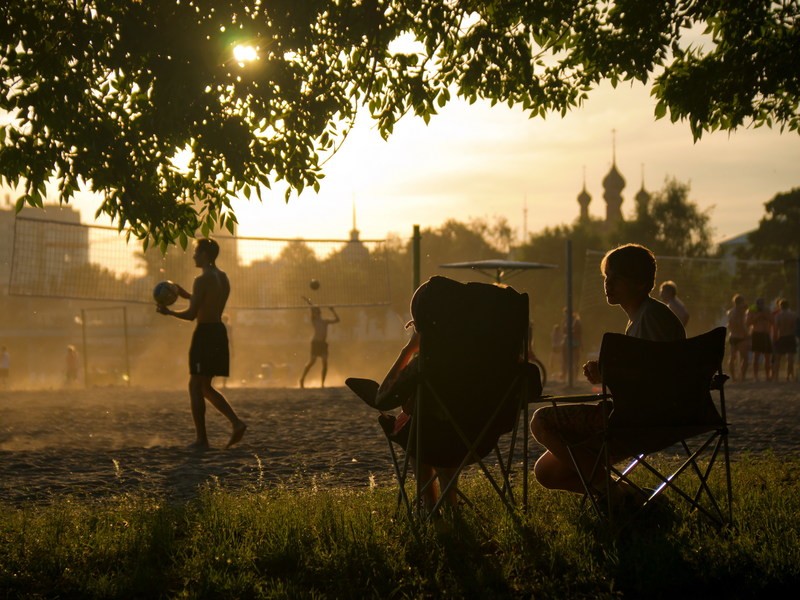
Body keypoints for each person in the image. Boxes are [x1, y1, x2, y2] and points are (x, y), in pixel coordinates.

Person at [531, 243, 685, 503]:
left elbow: (657, 379)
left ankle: (611, 494)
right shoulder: (644, 318)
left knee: (541, 421)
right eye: (606, 277)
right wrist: (608, 373)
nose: (608, 284)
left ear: (639, 283)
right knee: (547, 472)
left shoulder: (651, 318)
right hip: (644, 417)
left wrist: (608, 374)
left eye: (616, 278)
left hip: (637, 421)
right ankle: (631, 497)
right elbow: (645, 373)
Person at [157, 238, 247, 450]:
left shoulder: (201, 279)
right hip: (218, 332)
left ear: (206, 254)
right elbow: (206, 303)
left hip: (205, 334)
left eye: (197, 252)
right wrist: (184, 294)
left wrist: (168, 311)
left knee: (194, 385)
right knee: (204, 386)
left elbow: (191, 315)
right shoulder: (223, 278)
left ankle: (202, 440)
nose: (194, 255)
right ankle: (236, 423)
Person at [299, 301, 340, 388]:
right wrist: (309, 303)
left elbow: (337, 320)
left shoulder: (325, 321)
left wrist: (333, 310)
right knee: (312, 362)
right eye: (314, 312)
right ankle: (302, 379)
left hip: (323, 344)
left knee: (325, 363)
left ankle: (322, 383)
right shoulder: (314, 320)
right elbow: (312, 309)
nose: (315, 313)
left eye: (317, 312)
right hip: (315, 343)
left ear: (319, 313)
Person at [746, 297, 774, 381]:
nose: (761, 305)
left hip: (766, 334)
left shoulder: (767, 310)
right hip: (756, 334)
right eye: (759, 304)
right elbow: (748, 323)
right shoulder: (752, 310)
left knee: (767, 356)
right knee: (756, 356)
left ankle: (767, 376)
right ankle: (755, 376)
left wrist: (765, 315)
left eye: (762, 303)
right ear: (756, 304)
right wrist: (757, 316)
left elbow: (773, 321)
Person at [773, 299, 798, 381]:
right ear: (788, 306)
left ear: (780, 306)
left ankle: (776, 376)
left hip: (781, 337)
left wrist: (775, 339)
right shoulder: (793, 315)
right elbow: (795, 327)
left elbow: (776, 329)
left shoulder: (778, 316)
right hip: (790, 337)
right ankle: (789, 376)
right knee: (790, 358)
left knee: (778, 358)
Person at [726, 294, 750, 381]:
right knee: (745, 358)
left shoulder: (729, 312)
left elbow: (729, 324)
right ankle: (742, 377)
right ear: (741, 302)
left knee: (732, 357)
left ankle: (733, 377)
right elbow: (741, 324)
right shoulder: (741, 311)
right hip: (741, 336)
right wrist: (747, 334)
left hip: (732, 336)